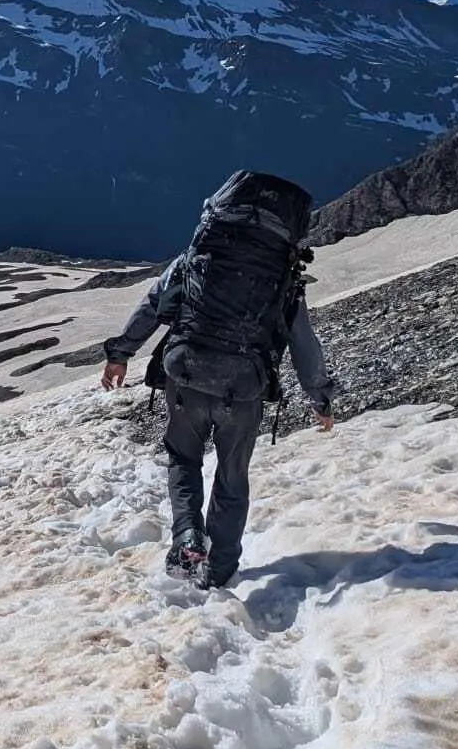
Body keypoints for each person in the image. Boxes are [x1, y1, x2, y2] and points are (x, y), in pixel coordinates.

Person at [102, 170, 335, 591]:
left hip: (186, 376)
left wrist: (120, 354)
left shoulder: (198, 256)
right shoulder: (282, 276)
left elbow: (154, 304)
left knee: (183, 458)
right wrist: (319, 398)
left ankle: (189, 536)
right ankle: (219, 572)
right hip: (244, 388)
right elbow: (302, 341)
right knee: (231, 478)